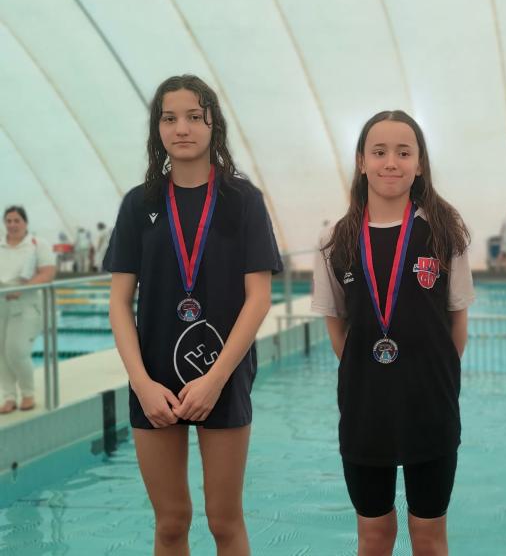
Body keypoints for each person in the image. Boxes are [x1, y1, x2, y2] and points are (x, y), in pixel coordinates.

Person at [106, 74, 282, 555]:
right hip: (153, 380)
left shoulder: (242, 201)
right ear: (157, 128)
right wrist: (141, 383)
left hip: (222, 375)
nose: (181, 128)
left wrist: (215, 380)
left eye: (193, 117)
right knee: (170, 523)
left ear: (213, 124)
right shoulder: (138, 204)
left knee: (224, 521)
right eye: (169, 118)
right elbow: (119, 302)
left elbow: (258, 298)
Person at [312, 110, 474, 556]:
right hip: (365, 410)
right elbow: (337, 326)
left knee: (429, 535)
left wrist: (432, 375)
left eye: (404, 153)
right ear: (361, 161)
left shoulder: (444, 231)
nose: (390, 162)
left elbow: (457, 323)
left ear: (419, 164)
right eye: (379, 152)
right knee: (374, 535)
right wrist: (372, 374)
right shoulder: (335, 240)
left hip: (431, 406)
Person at [0, 206, 56, 413]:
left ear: (25, 222)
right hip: (2, 303)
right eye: (9, 220)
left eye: (17, 220)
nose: (12, 224)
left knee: (16, 351)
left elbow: (47, 273)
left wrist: (22, 289)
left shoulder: (37, 244)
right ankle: (9, 397)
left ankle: (28, 393)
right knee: (1, 353)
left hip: (27, 304)